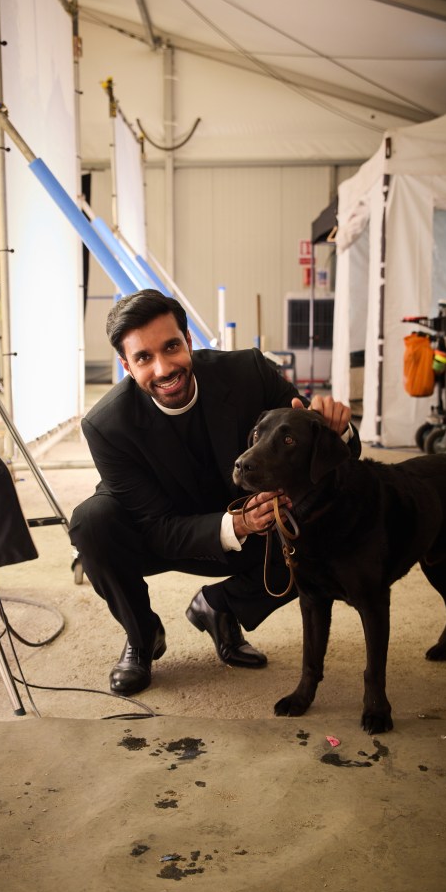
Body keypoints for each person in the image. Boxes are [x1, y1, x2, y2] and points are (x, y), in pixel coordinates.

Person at [69, 289, 360, 695]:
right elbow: (155, 526)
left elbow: (320, 448)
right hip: (165, 531)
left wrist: (339, 427)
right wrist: (235, 524)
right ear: (126, 366)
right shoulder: (106, 424)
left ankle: (219, 607)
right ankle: (141, 636)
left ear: (189, 341)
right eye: (144, 358)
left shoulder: (248, 372)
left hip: (258, 525)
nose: (164, 368)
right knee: (91, 523)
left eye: (171, 347)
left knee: (326, 530)